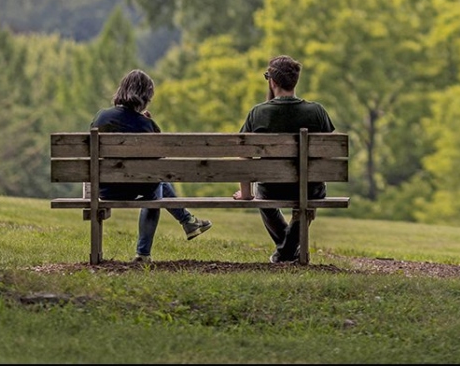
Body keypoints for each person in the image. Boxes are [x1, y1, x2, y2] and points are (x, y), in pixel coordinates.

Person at [92, 69, 212, 262]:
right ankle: (145, 252)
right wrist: (148, 123)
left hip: (105, 188)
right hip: (137, 187)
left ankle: (188, 221)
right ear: (145, 97)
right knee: (156, 187)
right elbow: (159, 162)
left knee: (156, 183)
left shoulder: (101, 118)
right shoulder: (146, 125)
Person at [233, 54, 335, 264]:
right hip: (309, 187)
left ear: (273, 81)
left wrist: (245, 194)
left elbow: (244, 155)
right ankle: (288, 251)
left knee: (262, 195)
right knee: (311, 194)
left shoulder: (258, 113)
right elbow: (328, 151)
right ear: (295, 80)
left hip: (272, 187)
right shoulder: (317, 111)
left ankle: (285, 253)